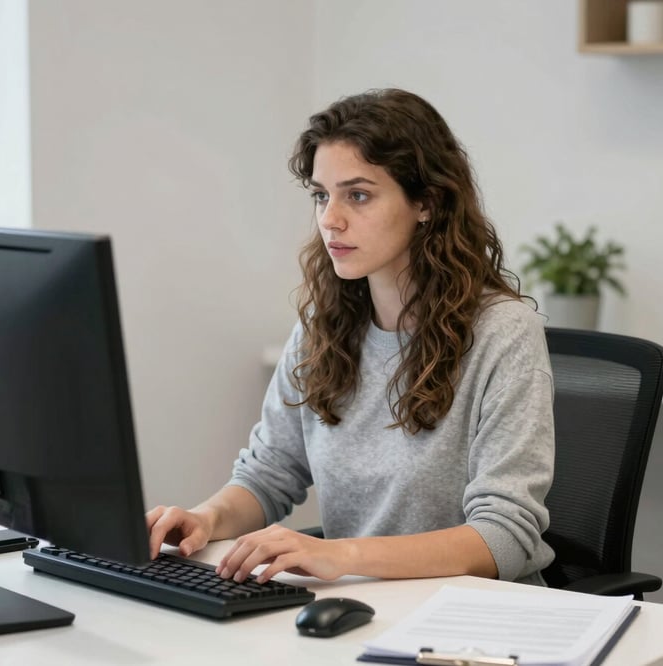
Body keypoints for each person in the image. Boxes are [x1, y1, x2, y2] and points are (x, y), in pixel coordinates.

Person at [147, 88, 554, 586]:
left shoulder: (503, 333)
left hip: (469, 624)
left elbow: (504, 536)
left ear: (425, 202)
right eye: (322, 195)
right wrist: (206, 519)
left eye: (357, 195)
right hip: (361, 606)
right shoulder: (325, 322)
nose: (329, 219)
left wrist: (341, 556)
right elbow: (270, 472)